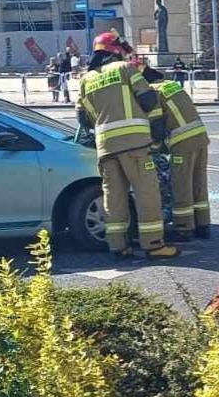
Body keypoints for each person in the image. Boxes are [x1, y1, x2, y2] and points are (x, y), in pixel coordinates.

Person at [76, 32, 180, 261]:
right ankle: (153, 245)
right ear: (116, 50)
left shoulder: (86, 80)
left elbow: (82, 119)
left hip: (105, 147)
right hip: (134, 144)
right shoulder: (124, 68)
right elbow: (148, 99)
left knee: (113, 196)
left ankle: (118, 245)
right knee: (147, 193)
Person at [144, 66, 212, 240]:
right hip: (200, 138)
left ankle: (184, 227)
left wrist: (153, 148)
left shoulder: (153, 92)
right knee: (198, 183)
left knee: (181, 185)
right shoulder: (171, 85)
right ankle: (203, 225)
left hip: (183, 142)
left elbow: (157, 126)